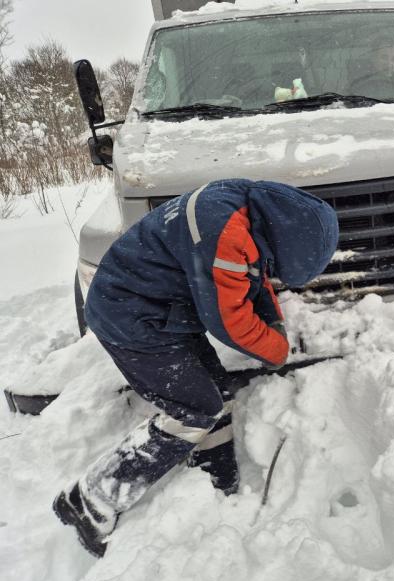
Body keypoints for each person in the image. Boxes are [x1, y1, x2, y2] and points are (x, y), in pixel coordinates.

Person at [52, 179, 339, 557]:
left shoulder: (247, 212)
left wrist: (276, 327)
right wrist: (276, 350)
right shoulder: (228, 237)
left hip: (161, 311)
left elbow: (256, 283)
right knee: (196, 408)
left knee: (216, 392)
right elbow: (229, 320)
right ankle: (91, 500)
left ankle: (212, 476)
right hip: (132, 320)